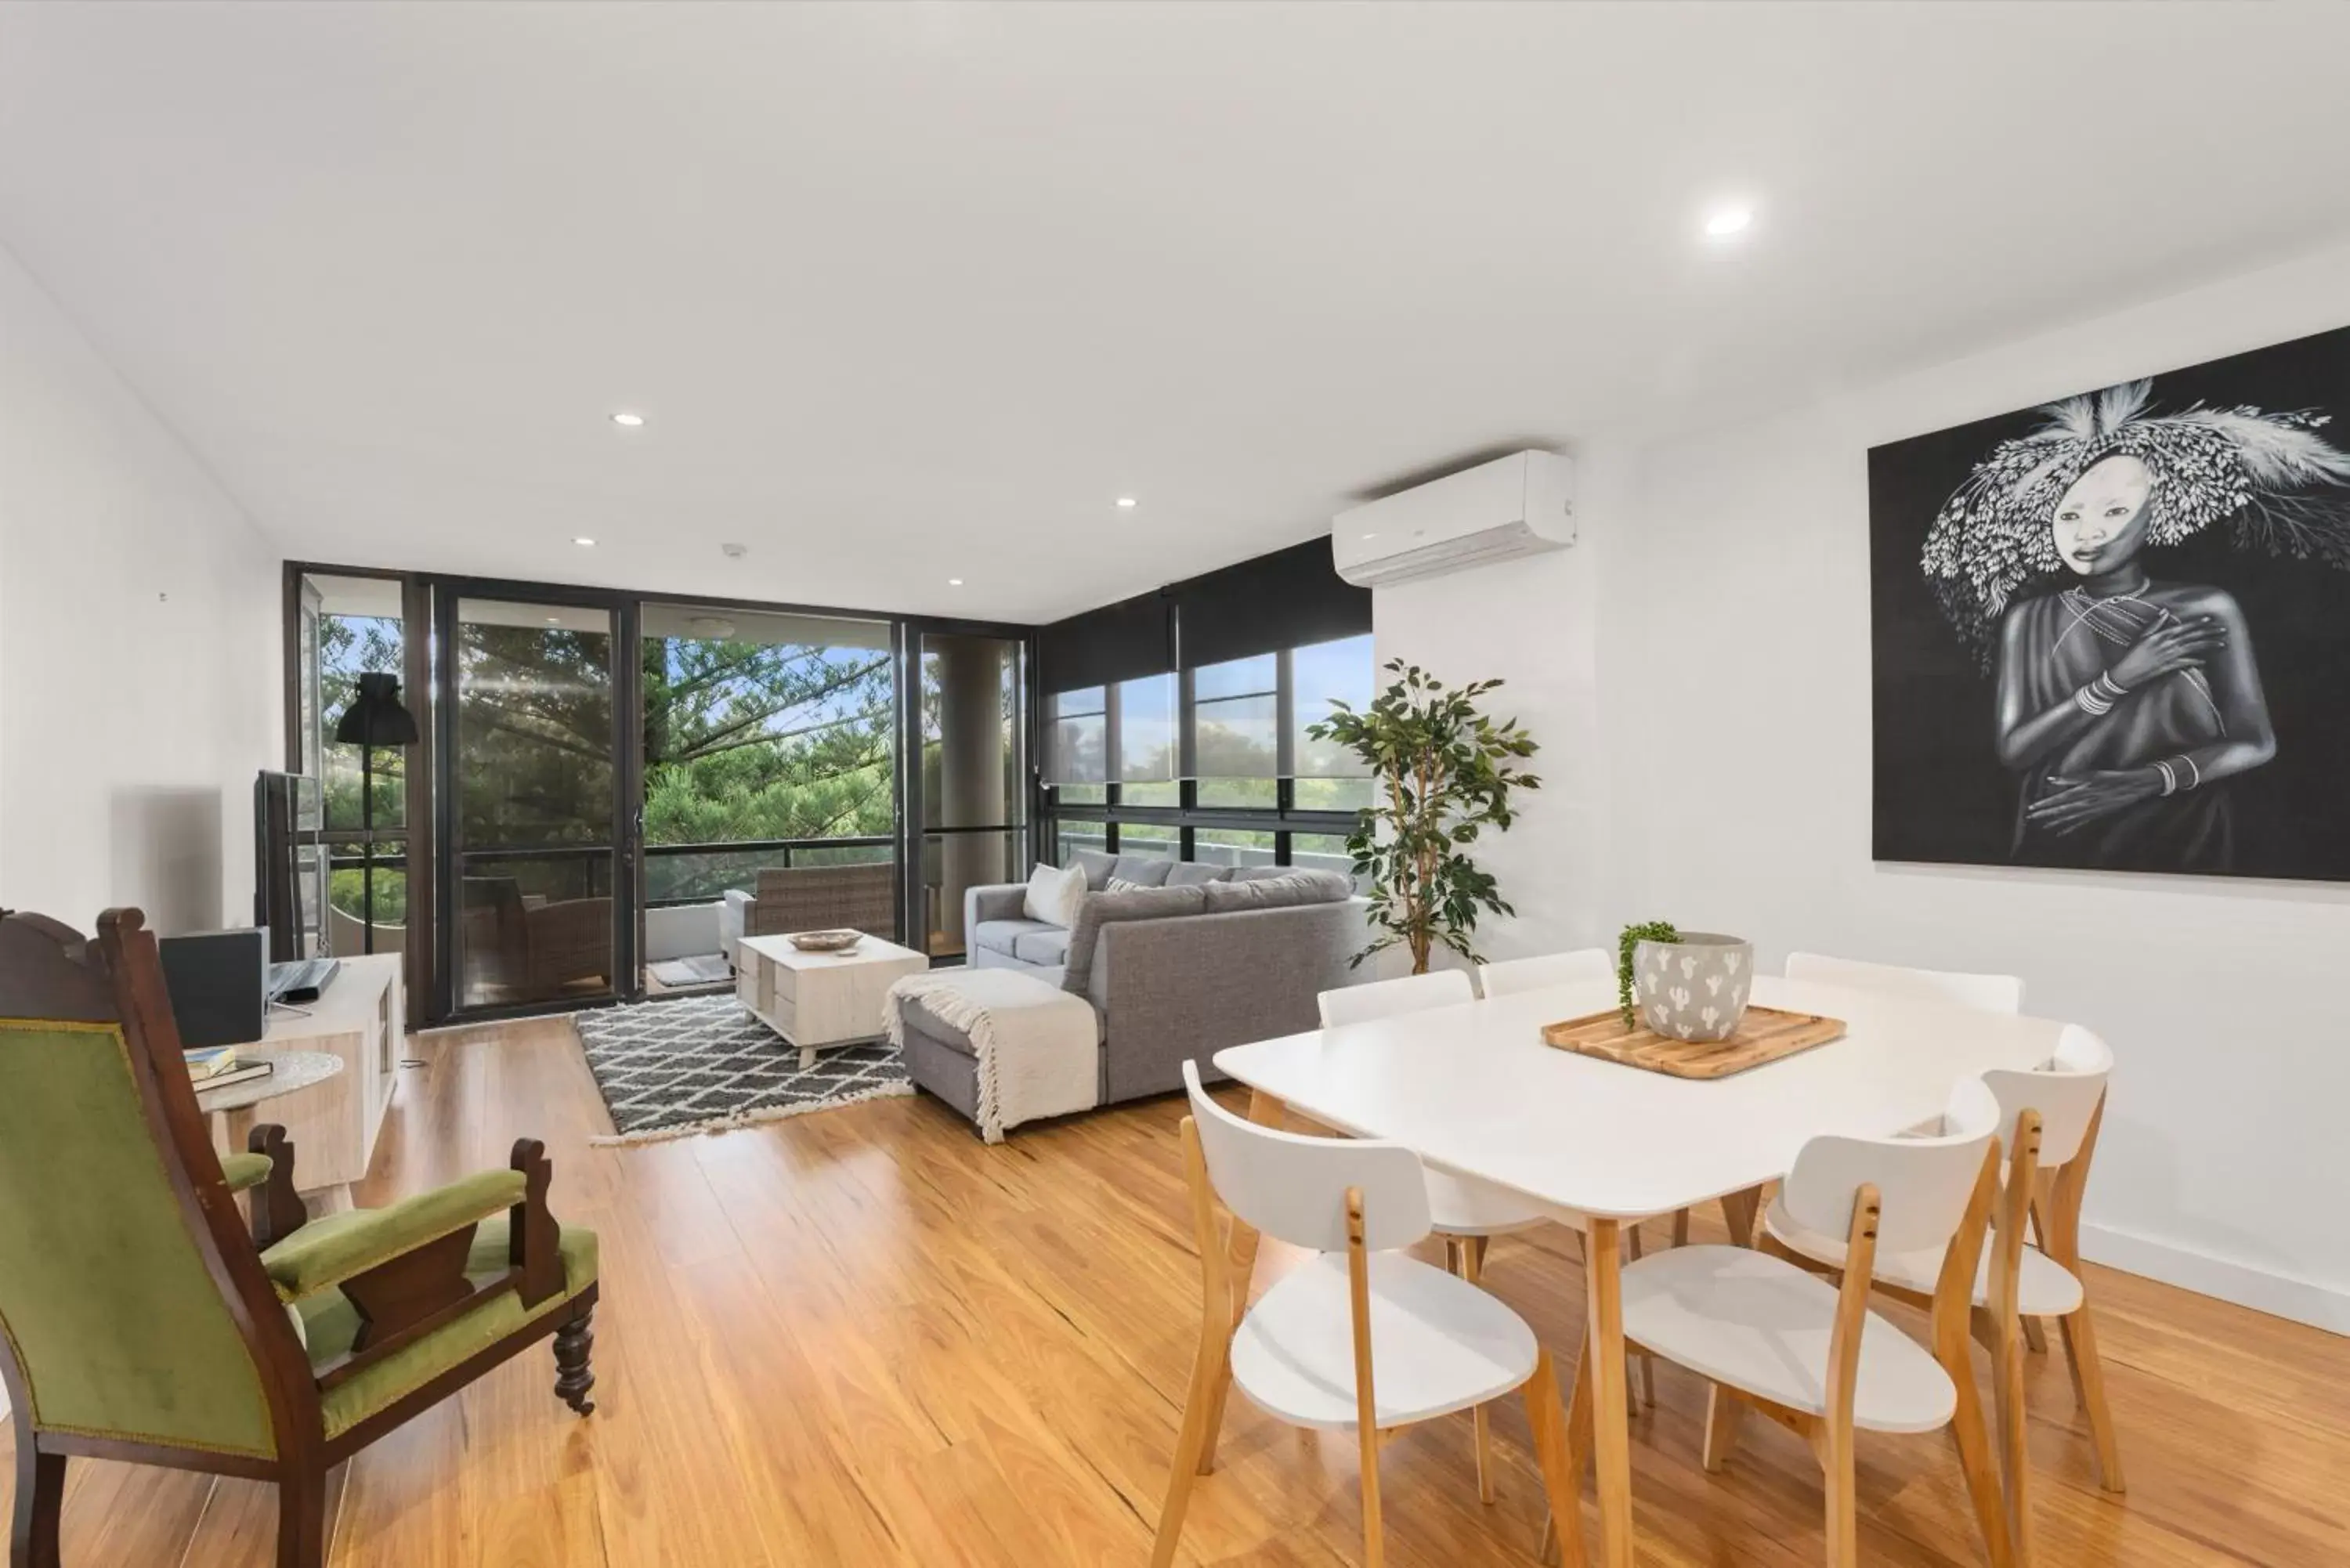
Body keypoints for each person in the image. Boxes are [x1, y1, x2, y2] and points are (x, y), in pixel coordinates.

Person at [1923, 378, 2350, 873]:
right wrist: (2121, 678)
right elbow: (2016, 750)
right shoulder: (2029, 619)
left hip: (2184, 827)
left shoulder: (2207, 605)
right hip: (2061, 826)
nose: (2088, 533)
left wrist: (2147, 781)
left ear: (2156, 514)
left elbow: (2256, 742)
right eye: (2071, 515)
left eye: (2116, 511)